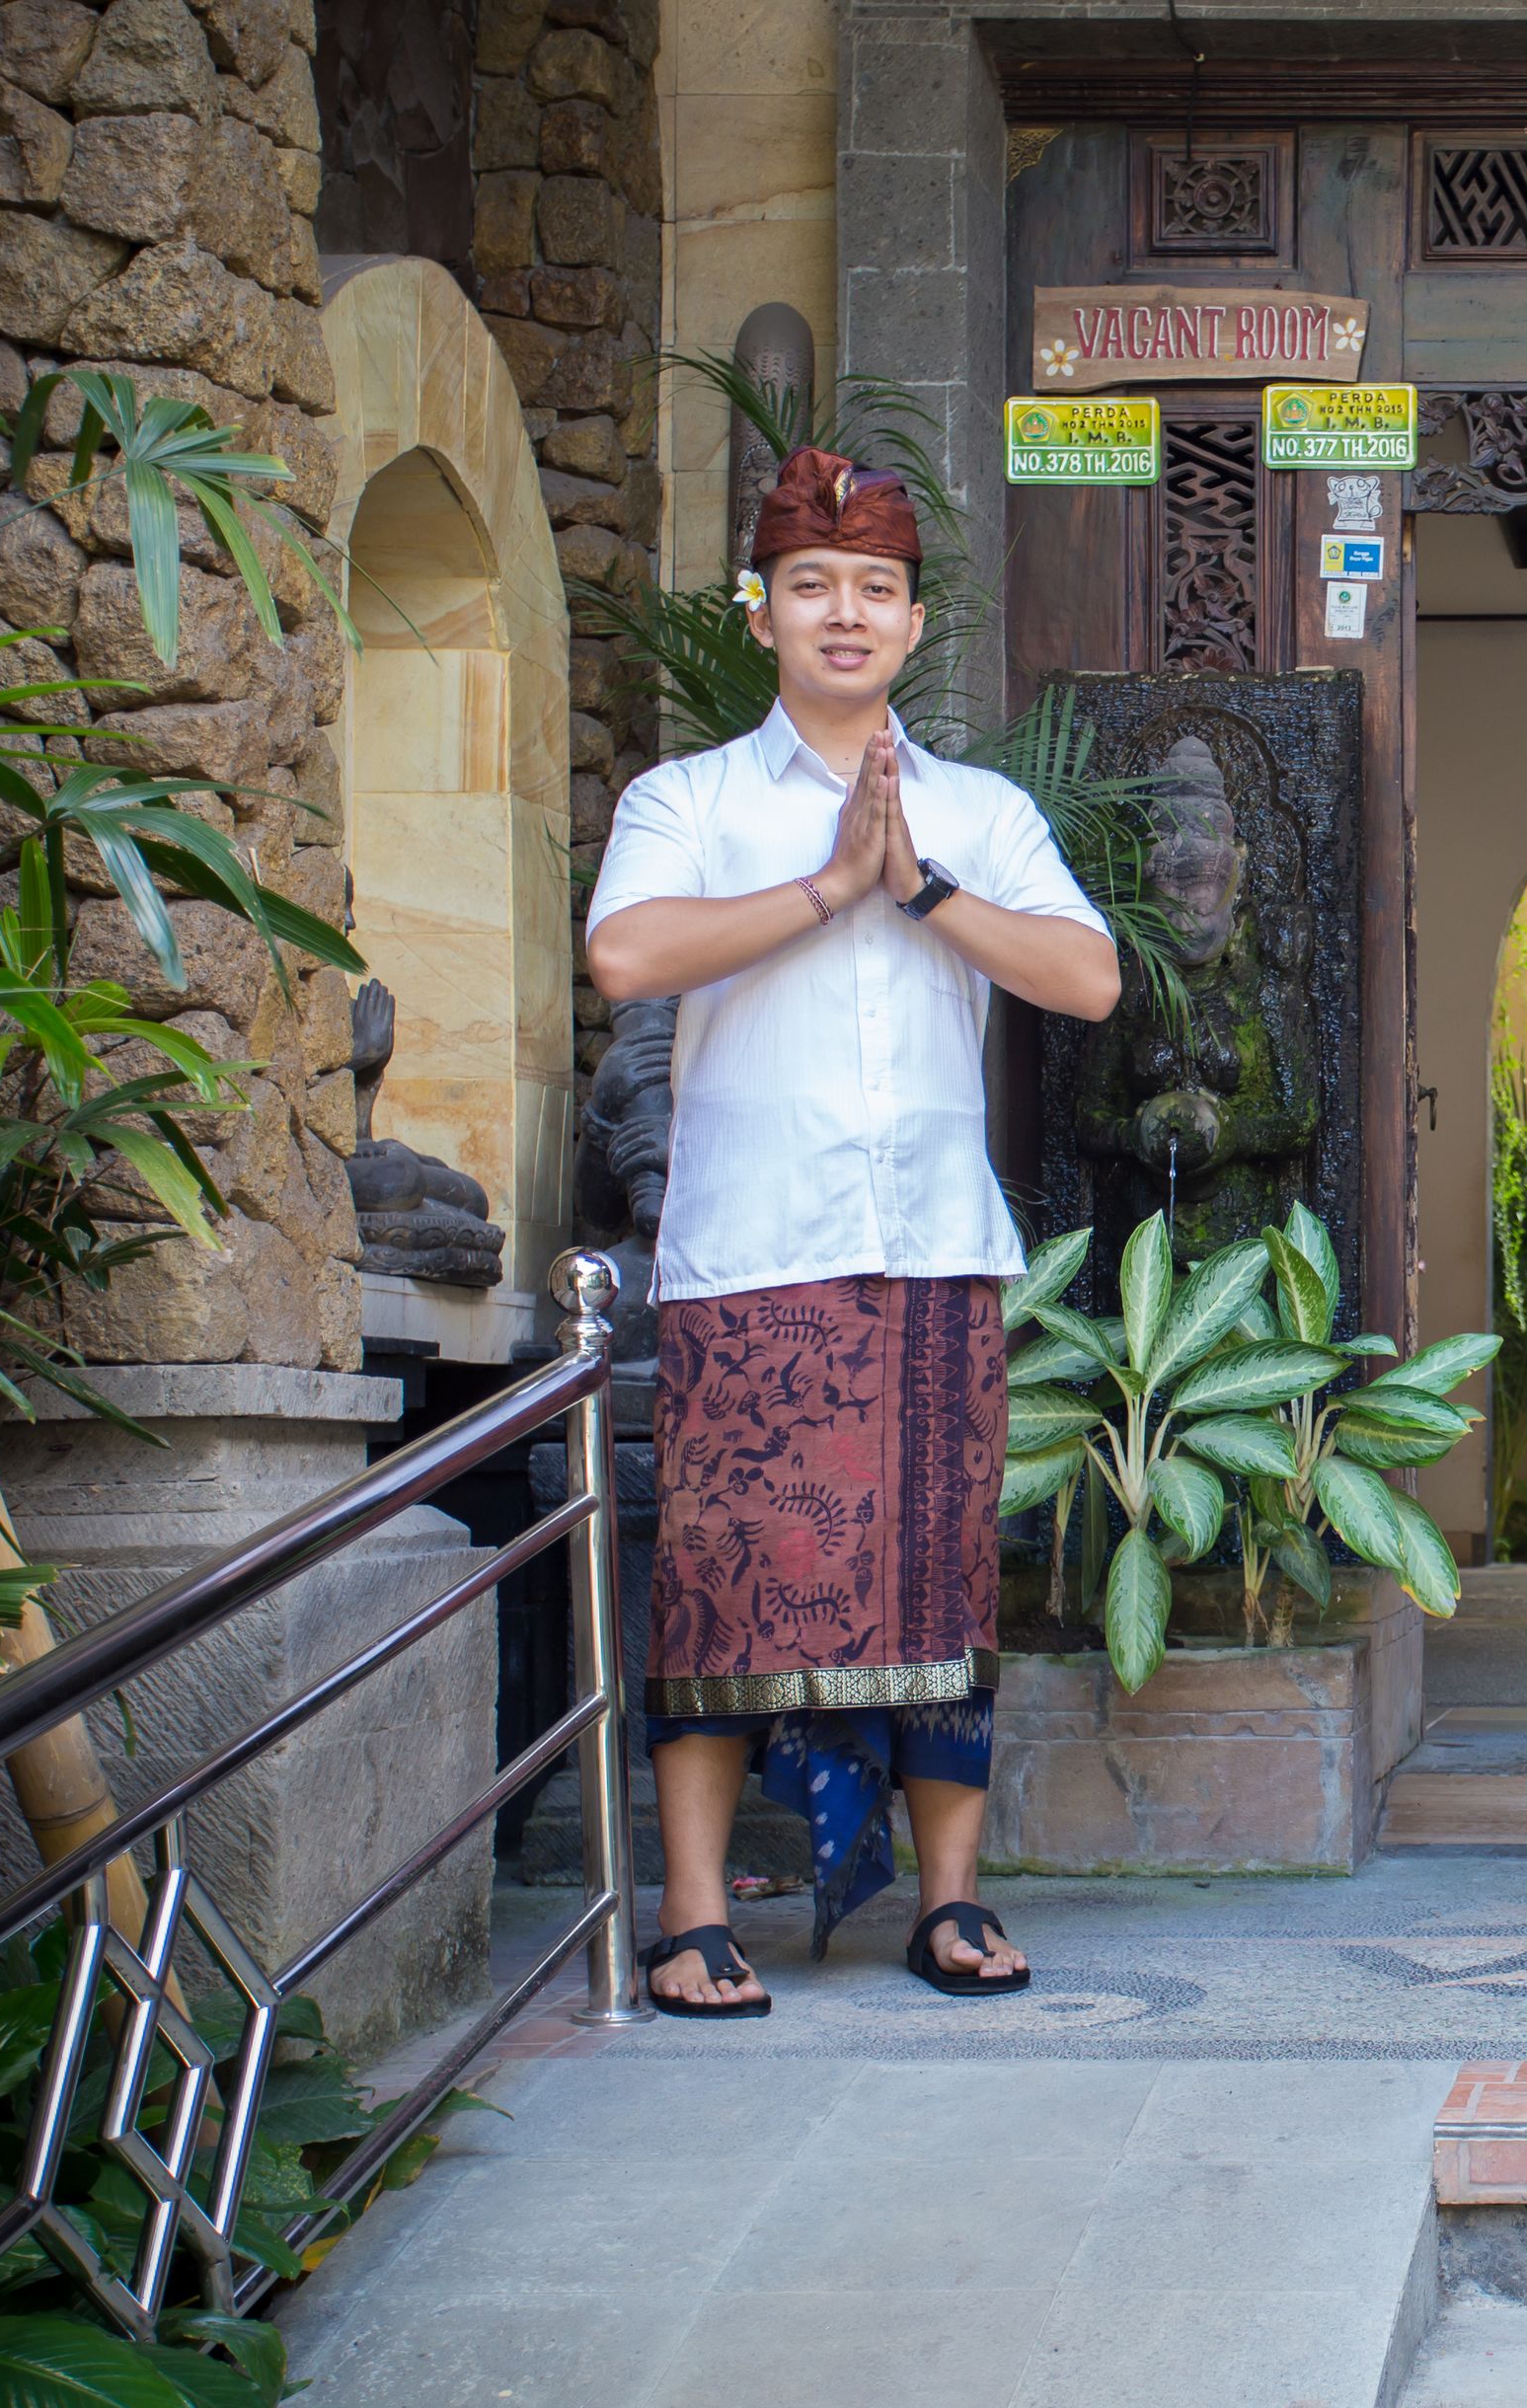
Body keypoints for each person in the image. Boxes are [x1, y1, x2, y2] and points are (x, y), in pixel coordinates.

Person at [581, 448, 1122, 2015]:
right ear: (762, 612)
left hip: (935, 1254)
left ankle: (948, 1901)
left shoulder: (976, 810)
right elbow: (627, 955)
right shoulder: (686, 798)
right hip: (754, 1254)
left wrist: (921, 883)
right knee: (720, 1584)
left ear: (911, 619)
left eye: (873, 589)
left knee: (944, 1587)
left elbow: (1085, 979)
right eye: (811, 584)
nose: (844, 613)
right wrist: (827, 889)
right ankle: (692, 1914)